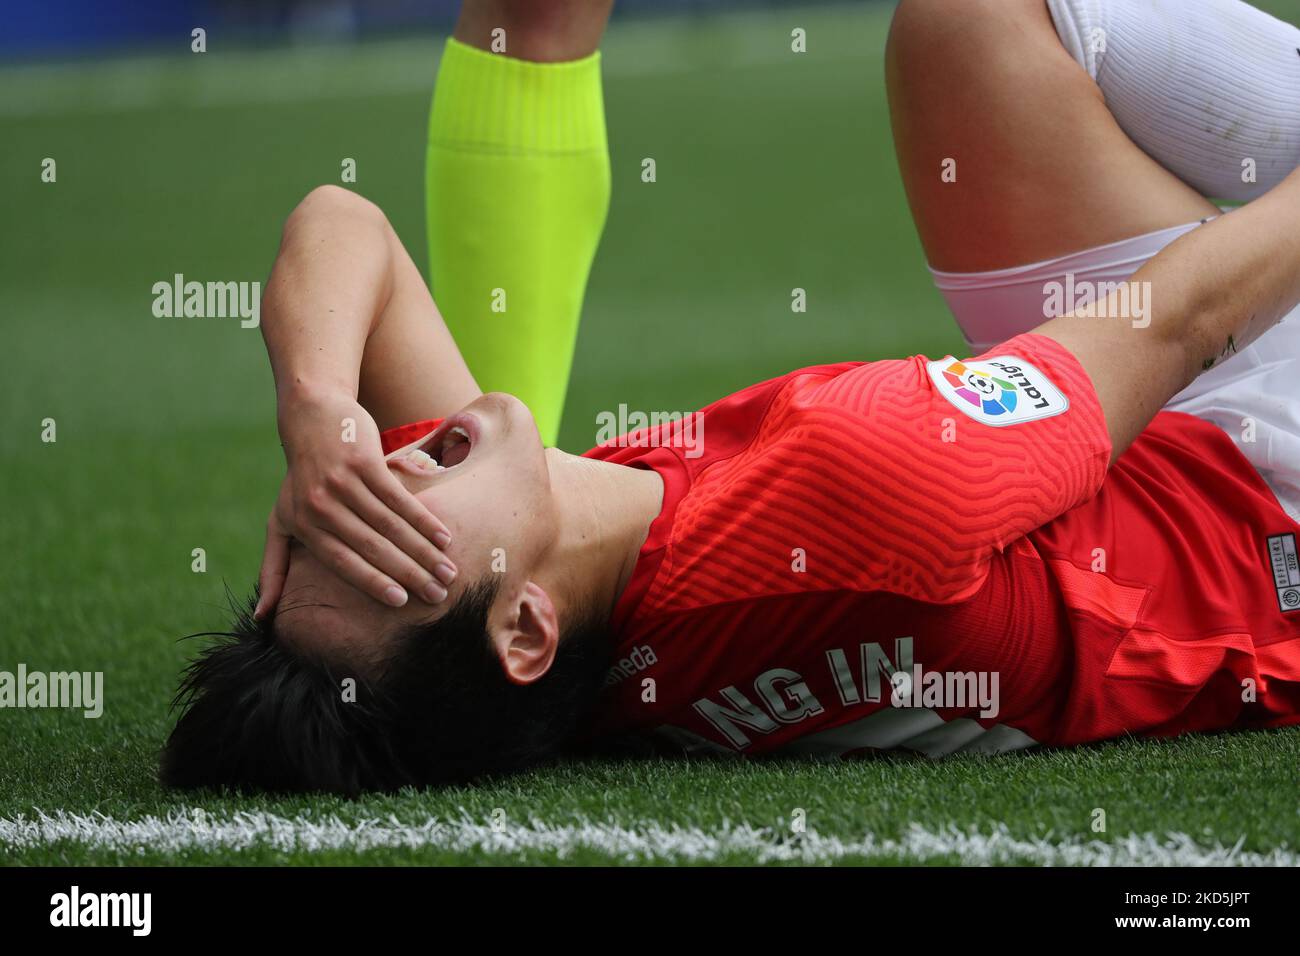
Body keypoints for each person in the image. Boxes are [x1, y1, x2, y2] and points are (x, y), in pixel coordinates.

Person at [162, 0, 1300, 794]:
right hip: (1264, 494)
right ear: (523, 628)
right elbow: (1179, 322)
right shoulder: (851, 487)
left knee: (967, 27)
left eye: (337, 501)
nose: (393, 466)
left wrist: (319, 410)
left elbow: (339, 221)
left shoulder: (542, 618)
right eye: (382, 525)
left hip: (1164, 449)